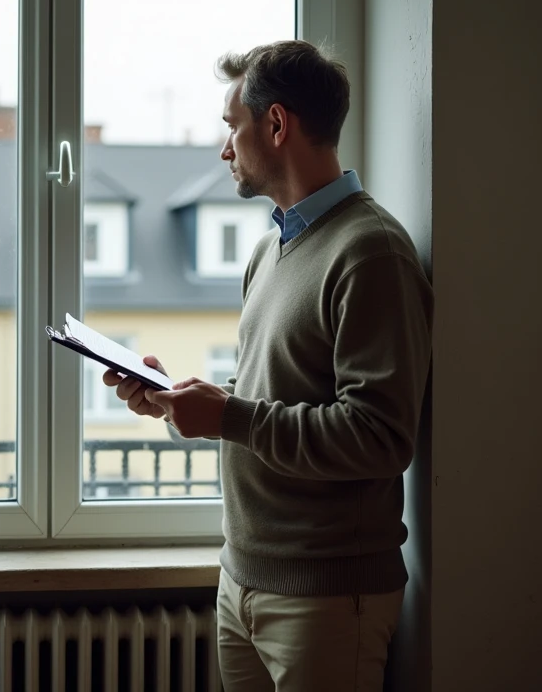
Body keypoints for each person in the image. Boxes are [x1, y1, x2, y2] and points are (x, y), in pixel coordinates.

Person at [103, 40, 433, 691]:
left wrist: (229, 416)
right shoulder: (268, 252)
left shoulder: (371, 252)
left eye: (232, 126)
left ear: (276, 125)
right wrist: (176, 403)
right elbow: (270, 399)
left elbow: (379, 436)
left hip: (327, 600)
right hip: (243, 583)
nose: (225, 148)